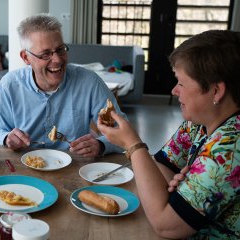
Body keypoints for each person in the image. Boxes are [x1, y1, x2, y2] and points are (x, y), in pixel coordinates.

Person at [98, 30, 240, 239]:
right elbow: (160, 164)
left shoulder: (229, 149)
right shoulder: (198, 123)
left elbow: (166, 225)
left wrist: (132, 144)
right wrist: (180, 187)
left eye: (181, 83)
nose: (174, 91)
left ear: (216, 91)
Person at [0, 14, 125, 156]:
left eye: (60, 50)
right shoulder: (9, 85)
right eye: (45, 54)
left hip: (75, 166)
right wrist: (6, 139)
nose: (58, 60)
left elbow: (122, 132)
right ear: (26, 57)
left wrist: (100, 145)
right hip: (24, 166)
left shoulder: (89, 82)